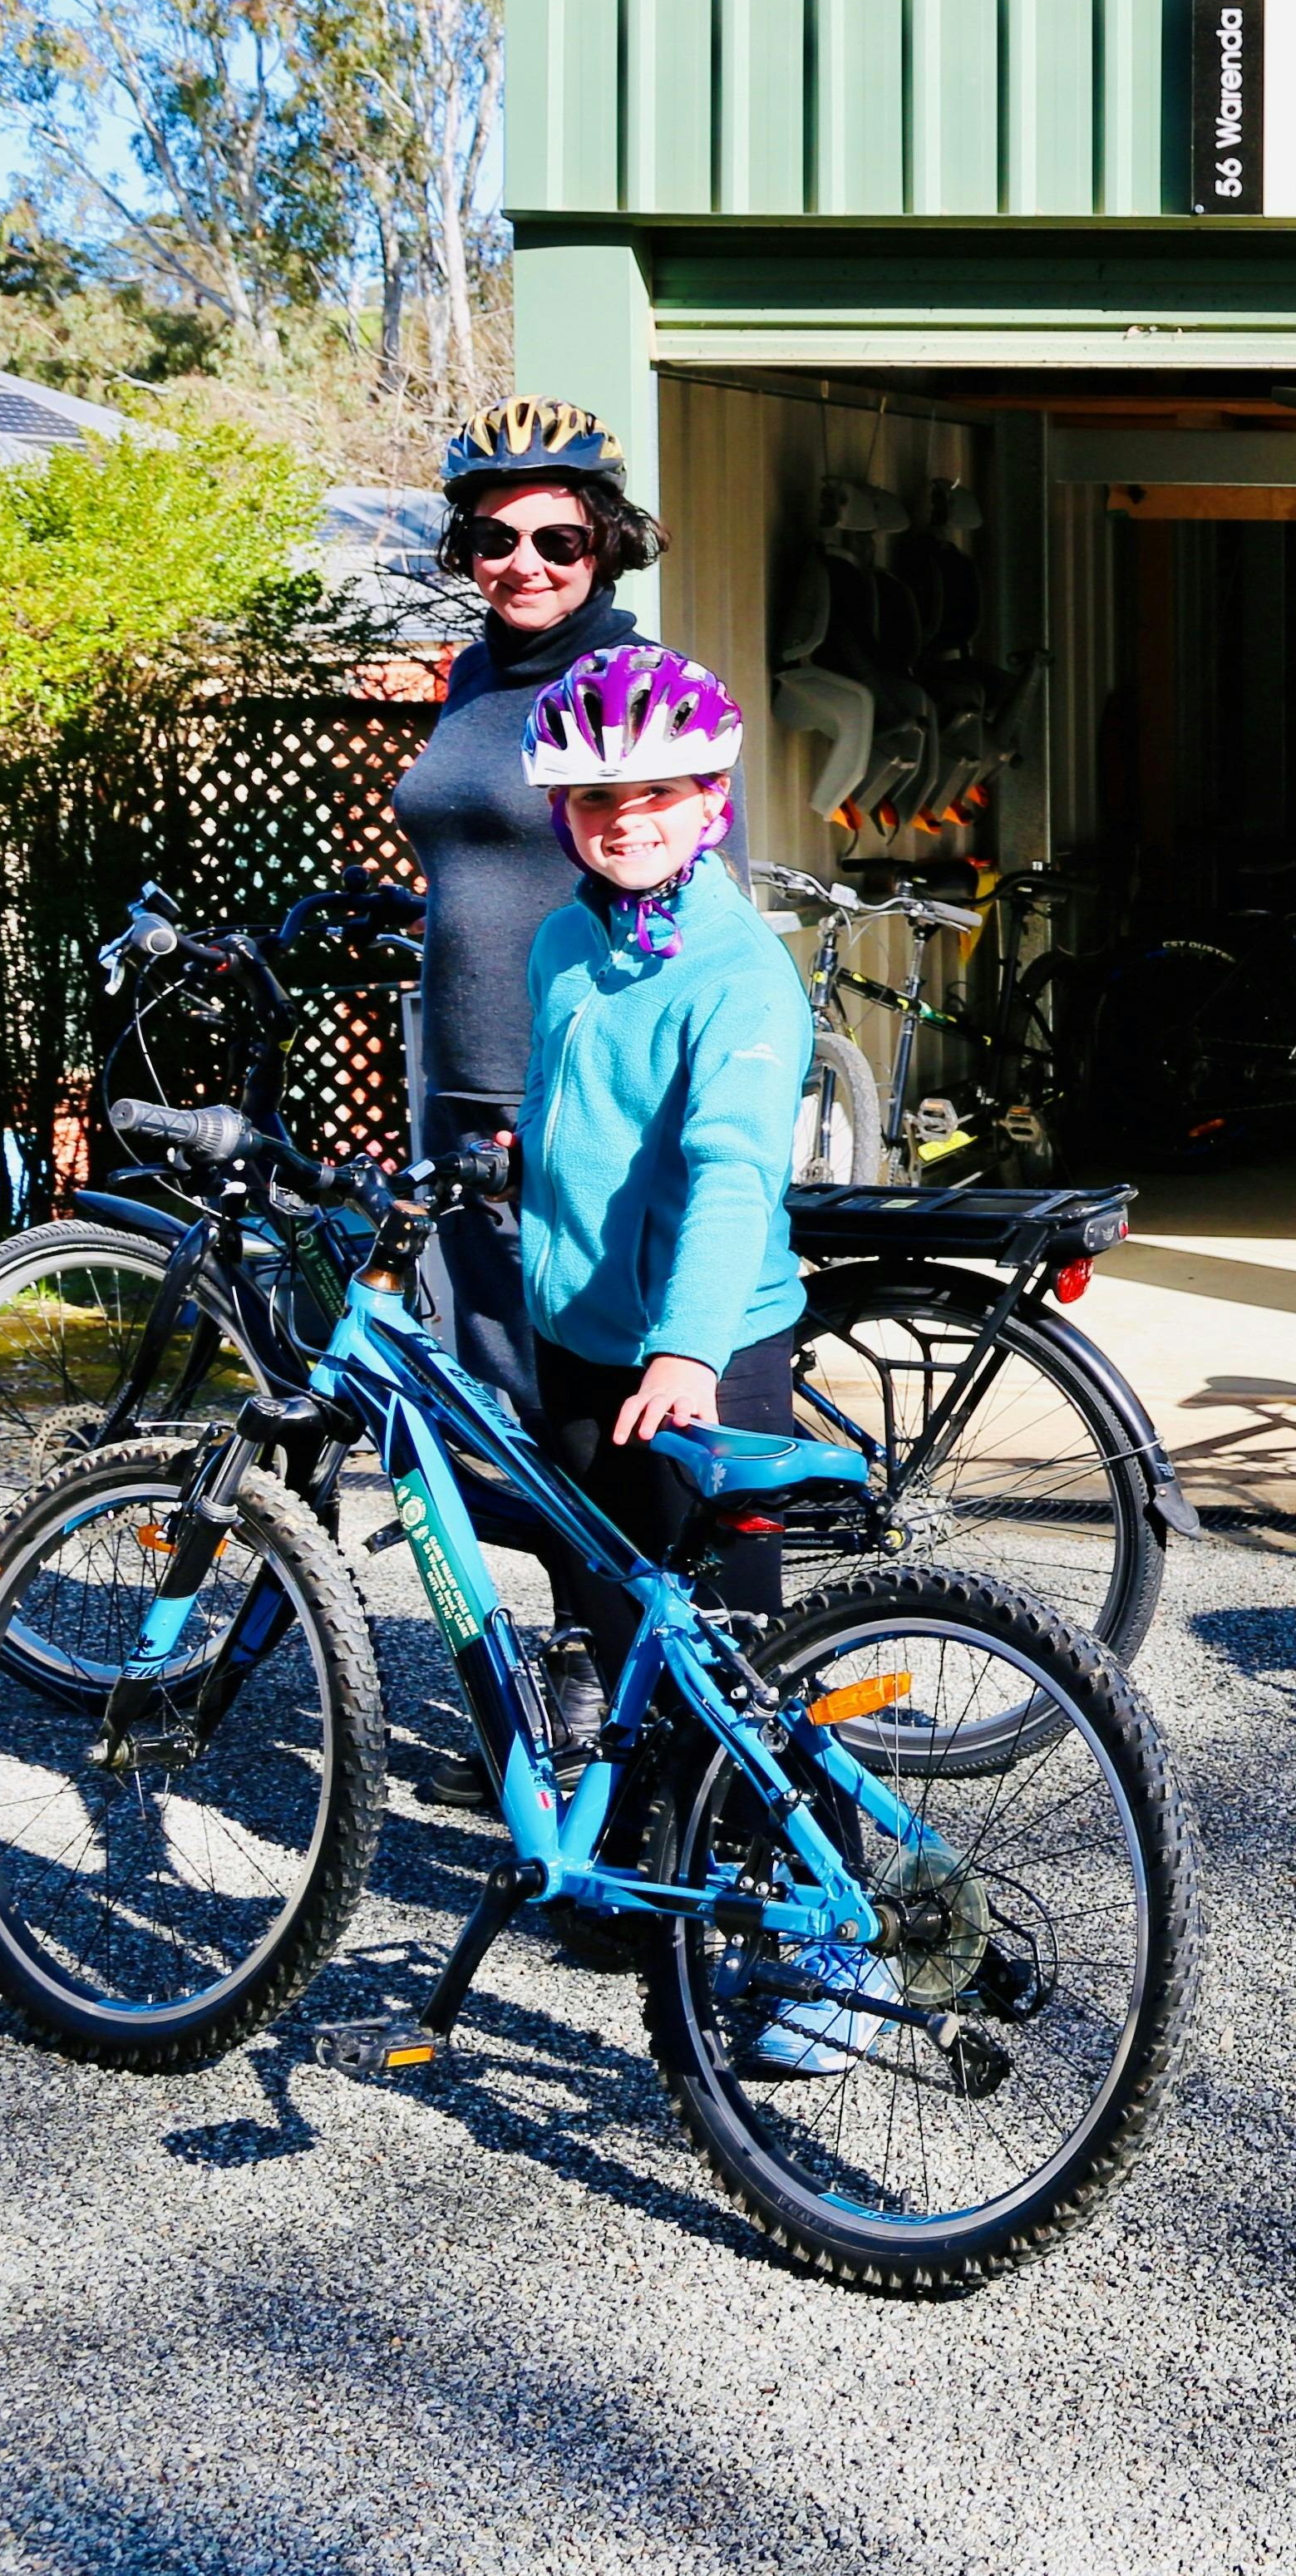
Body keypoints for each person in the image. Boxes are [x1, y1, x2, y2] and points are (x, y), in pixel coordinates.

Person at [508, 641, 850, 2051]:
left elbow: (724, 1175)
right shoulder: (561, 940)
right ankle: (651, 1865)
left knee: (733, 1653)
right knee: (609, 1616)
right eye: (594, 802)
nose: (626, 820)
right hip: (578, 1341)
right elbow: (566, 1113)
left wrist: (689, 1351)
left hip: (703, 1355)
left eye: (657, 792)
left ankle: (819, 1938)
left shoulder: (738, 975)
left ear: (712, 800)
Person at [392, 399, 662, 1416]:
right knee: (501, 1375)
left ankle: (648, 1579)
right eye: (496, 538)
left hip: (565, 1075)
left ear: (606, 545)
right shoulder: (471, 674)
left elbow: (681, 883)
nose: (526, 564)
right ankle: (554, 1578)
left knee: (585, 1383)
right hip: (459, 1067)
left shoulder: (631, 684)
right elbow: (485, 842)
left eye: (558, 539)